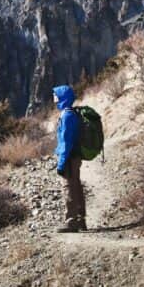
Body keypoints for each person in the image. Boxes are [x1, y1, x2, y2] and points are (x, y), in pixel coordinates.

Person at [53, 84, 86, 233]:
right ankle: (81, 219)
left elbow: (65, 142)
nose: (54, 97)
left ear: (62, 97)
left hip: (69, 157)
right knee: (76, 186)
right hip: (75, 156)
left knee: (68, 187)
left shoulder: (66, 116)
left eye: (56, 95)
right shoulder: (71, 113)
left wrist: (61, 164)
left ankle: (71, 220)